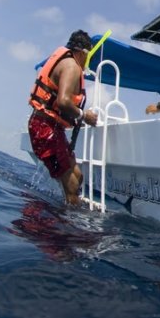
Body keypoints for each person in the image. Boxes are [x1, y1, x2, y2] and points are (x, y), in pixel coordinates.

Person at [27, 30, 99, 204]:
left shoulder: (66, 62)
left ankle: (68, 206)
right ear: (83, 52)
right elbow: (64, 100)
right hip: (45, 127)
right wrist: (84, 115)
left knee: (78, 176)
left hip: (50, 126)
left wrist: (75, 119)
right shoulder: (72, 67)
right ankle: (66, 227)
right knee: (72, 185)